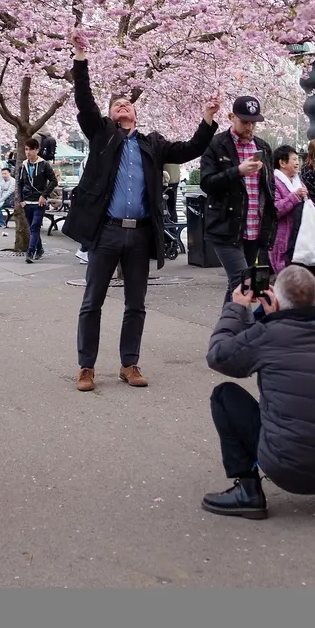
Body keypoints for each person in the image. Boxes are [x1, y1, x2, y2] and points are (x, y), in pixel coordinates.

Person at [62, 36, 218, 392]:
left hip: (141, 233)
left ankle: (129, 364)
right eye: (116, 104)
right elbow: (84, 101)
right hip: (107, 232)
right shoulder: (101, 134)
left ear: (135, 114)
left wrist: (208, 119)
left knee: (137, 303)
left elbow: (191, 148)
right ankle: (86, 367)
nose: (122, 107)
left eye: (127, 105)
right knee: (92, 302)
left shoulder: (153, 144)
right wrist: (81, 56)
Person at [201, 266, 315, 519]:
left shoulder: (267, 335)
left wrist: (236, 308)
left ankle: (248, 492)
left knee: (224, 396)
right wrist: (274, 316)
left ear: (276, 300)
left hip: (289, 470)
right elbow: (294, 339)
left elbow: (218, 356)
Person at [199, 95, 278, 303]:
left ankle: (227, 332)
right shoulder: (217, 144)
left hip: (255, 228)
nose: (249, 127)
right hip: (226, 227)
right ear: (231, 117)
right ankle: (242, 332)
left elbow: (269, 187)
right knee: (243, 284)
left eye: (253, 122)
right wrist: (238, 171)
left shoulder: (263, 147)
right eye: (244, 121)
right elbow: (206, 183)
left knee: (236, 286)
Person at [269, 144, 315, 277]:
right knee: (287, 281)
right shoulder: (274, 182)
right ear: (282, 163)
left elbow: (310, 206)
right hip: (284, 242)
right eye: (294, 159)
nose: (297, 163)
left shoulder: (298, 182)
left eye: (297, 159)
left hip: (304, 241)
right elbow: (275, 210)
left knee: (303, 282)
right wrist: (295, 196)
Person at [17, 138, 58, 263]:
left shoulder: (44, 164)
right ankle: (39, 249)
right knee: (32, 228)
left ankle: (30, 252)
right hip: (27, 202)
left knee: (35, 227)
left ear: (37, 150)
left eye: (31, 149)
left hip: (39, 203)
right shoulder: (23, 165)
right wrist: (21, 200)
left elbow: (54, 181)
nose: (28, 152)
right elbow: (19, 183)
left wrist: (44, 195)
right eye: (26, 149)